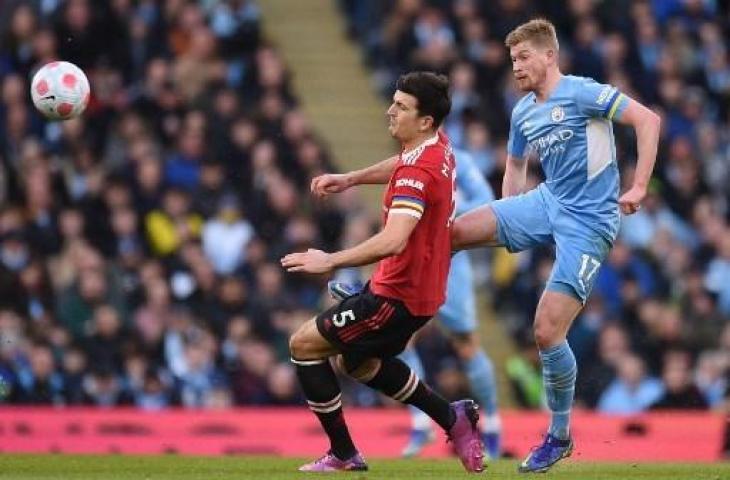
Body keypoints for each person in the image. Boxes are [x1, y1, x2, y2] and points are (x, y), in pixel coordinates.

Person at [450, 19, 661, 473]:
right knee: (453, 232)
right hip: (547, 202)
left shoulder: (584, 92)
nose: (517, 67)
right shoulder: (523, 111)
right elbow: (514, 163)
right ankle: (385, 296)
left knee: (546, 331)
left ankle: (559, 435)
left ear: (550, 55)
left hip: (590, 222)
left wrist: (639, 186)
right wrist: (506, 214)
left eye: (524, 57)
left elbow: (648, 120)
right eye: (512, 61)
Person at [281, 71, 484, 473]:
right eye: (393, 101)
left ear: (425, 120)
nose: (390, 111)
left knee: (303, 345)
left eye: (402, 107)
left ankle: (343, 453)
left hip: (396, 297)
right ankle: (450, 417)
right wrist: (352, 178)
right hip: (418, 292)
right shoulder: (438, 148)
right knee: (355, 363)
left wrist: (330, 259)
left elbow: (393, 240)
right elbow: (402, 162)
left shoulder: (417, 173)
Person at [329, 149, 502, 459]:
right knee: (401, 338)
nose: (394, 115)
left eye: (403, 106)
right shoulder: (405, 162)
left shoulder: (457, 159)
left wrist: (450, 208)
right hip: (410, 260)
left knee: (466, 345)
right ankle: (421, 423)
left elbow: (488, 201)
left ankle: (492, 426)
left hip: (449, 262)